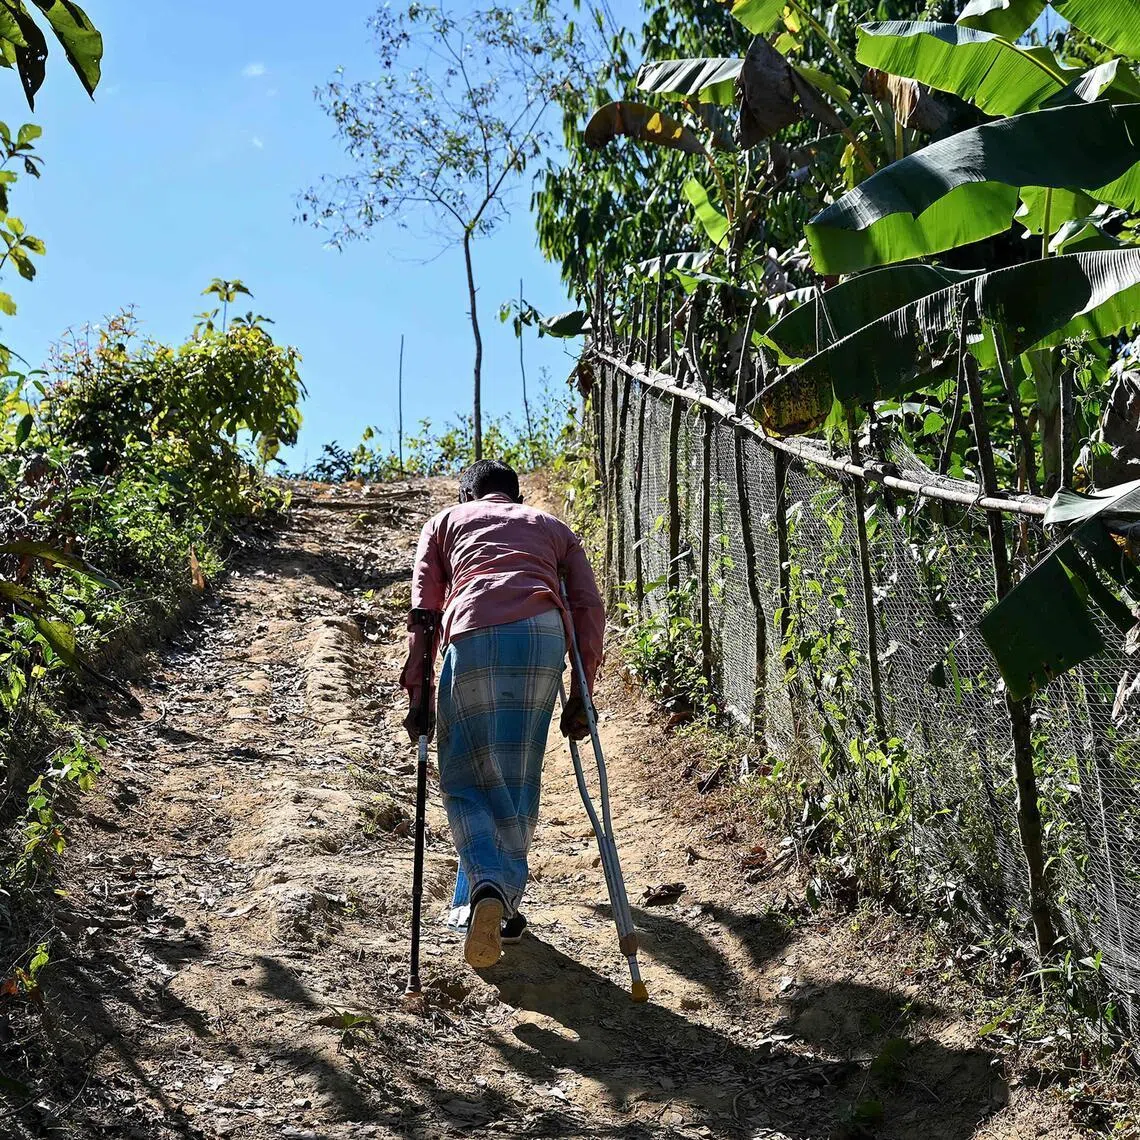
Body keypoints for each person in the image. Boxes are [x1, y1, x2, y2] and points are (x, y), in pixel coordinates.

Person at [400, 459, 605, 969]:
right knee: (515, 776)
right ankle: (497, 909)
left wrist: (419, 696)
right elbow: (587, 606)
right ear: (514, 496)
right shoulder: (551, 525)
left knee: (465, 778)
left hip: (473, 630)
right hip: (542, 637)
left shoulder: (445, 522)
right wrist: (583, 690)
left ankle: (489, 886)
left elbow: (424, 614)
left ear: (468, 494)